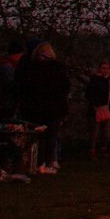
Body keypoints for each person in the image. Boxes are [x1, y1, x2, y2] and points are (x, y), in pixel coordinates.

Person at [25, 44, 71, 174]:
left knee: (39, 136)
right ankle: (48, 162)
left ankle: (38, 162)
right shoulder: (57, 67)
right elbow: (65, 87)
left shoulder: (33, 67)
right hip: (54, 107)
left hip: (37, 107)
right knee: (51, 136)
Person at [84, 61, 110, 159]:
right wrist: (95, 105)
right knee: (94, 132)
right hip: (96, 109)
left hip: (107, 108)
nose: (105, 70)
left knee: (105, 132)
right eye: (103, 68)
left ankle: (103, 149)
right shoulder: (94, 80)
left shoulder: (109, 81)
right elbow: (90, 94)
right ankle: (91, 151)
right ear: (99, 69)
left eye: (107, 68)